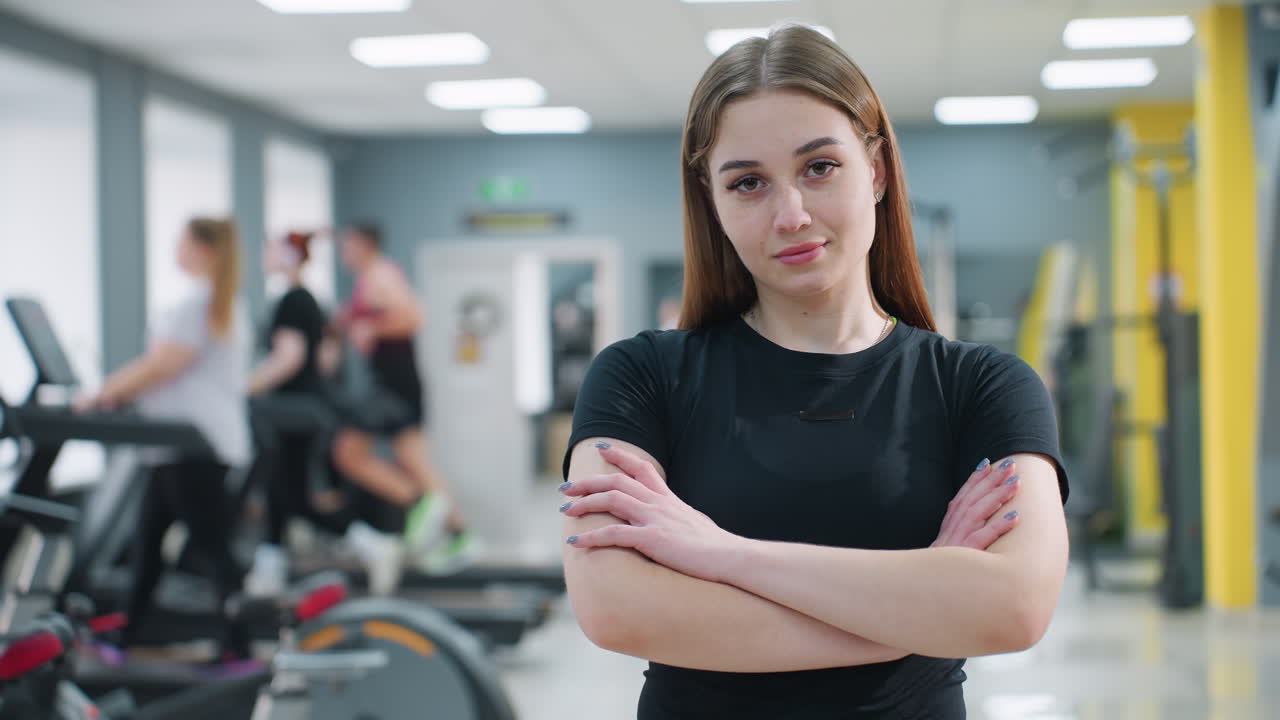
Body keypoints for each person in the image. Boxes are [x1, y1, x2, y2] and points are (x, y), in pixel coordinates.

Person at [558, 25, 1070, 719]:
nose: (791, 214)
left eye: (819, 167)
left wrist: (721, 555)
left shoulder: (983, 386)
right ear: (711, 200)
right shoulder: (641, 377)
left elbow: (1013, 608)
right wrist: (921, 612)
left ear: (879, 172)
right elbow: (617, 609)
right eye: (747, 183)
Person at [76, 217, 254, 662]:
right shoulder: (221, 299)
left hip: (193, 443)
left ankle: (239, 642)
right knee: (150, 542)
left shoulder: (199, 300)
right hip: (184, 442)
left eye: (181, 241)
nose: (175, 249)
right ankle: (127, 636)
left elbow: (162, 364)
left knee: (211, 545)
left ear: (203, 249)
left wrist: (102, 393)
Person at [243, 231, 402, 596]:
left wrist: (244, 385)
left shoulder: (293, 300)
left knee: (289, 491)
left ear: (289, 256)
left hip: (292, 411)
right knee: (282, 490)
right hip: (300, 408)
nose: (264, 257)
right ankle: (270, 564)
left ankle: (370, 544)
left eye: (269, 250)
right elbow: (324, 359)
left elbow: (290, 358)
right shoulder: (308, 300)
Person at [331, 222, 476, 575]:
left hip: (392, 385)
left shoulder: (379, 274)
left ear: (364, 244)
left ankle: (420, 505)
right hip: (398, 382)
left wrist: (368, 327)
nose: (342, 254)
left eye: (346, 246)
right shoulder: (373, 277)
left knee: (348, 453)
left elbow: (413, 316)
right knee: (415, 461)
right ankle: (458, 535)